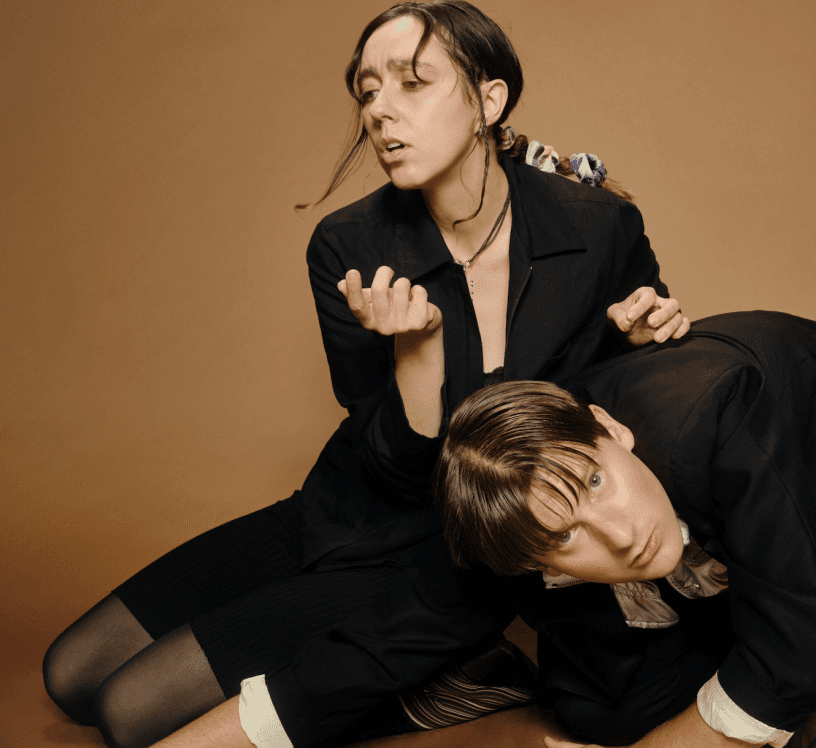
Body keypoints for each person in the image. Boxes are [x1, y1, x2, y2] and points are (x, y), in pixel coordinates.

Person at [41, 3, 690, 748]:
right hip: (348, 507)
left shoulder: (597, 225)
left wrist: (645, 338)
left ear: (489, 100)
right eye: (367, 90)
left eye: (412, 83)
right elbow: (390, 469)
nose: (380, 111)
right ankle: (439, 663)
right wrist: (418, 353)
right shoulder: (348, 244)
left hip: (455, 557)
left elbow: (620, 422)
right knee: (70, 672)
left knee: (128, 714)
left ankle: (461, 675)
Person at [435, 310, 816, 747]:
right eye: (564, 538)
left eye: (596, 482)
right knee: (603, 710)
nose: (621, 536)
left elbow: (792, 669)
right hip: (750, 539)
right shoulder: (516, 533)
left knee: (788, 655)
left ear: (608, 427)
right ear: (539, 565)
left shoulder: (711, 416)